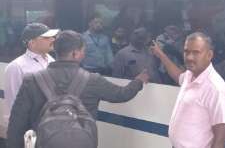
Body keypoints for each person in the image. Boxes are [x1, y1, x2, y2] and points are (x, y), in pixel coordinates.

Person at [6, 30, 149, 148]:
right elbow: (121, 95)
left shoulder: (31, 81)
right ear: (75, 53)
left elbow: (16, 124)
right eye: (83, 51)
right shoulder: (93, 80)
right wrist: (138, 81)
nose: (84, 54)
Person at [150, 32, 225, 148]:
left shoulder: (216, 88)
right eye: (186, 52)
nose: (189, 57)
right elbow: (177, 75)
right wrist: (161, 55)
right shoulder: (190, 75)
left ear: (209, 55)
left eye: (196, 53)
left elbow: (221, 138)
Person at [4, 23, 59, 126]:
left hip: (50, 125)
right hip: (29, 126)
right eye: (47, 37)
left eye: (52, 36)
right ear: (32, 43)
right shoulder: (16, 67)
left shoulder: (52, 61)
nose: (53, 39)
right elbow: (13, 103)